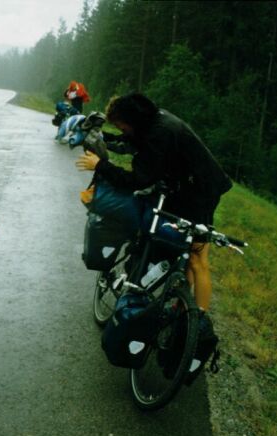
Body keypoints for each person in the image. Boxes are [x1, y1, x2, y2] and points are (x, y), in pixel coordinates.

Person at [75, 93, 232, 312]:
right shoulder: (153, 120)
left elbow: (138, 180)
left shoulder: (160, 132)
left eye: (121, 127)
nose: (122, 132)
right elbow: (133, 140)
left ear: (132, 120)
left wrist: (101, 165)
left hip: (202, 191)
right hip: (186, 185)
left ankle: (198, 322)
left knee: (196, 257)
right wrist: (106, 139)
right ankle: (180, 308)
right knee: (185, 251)